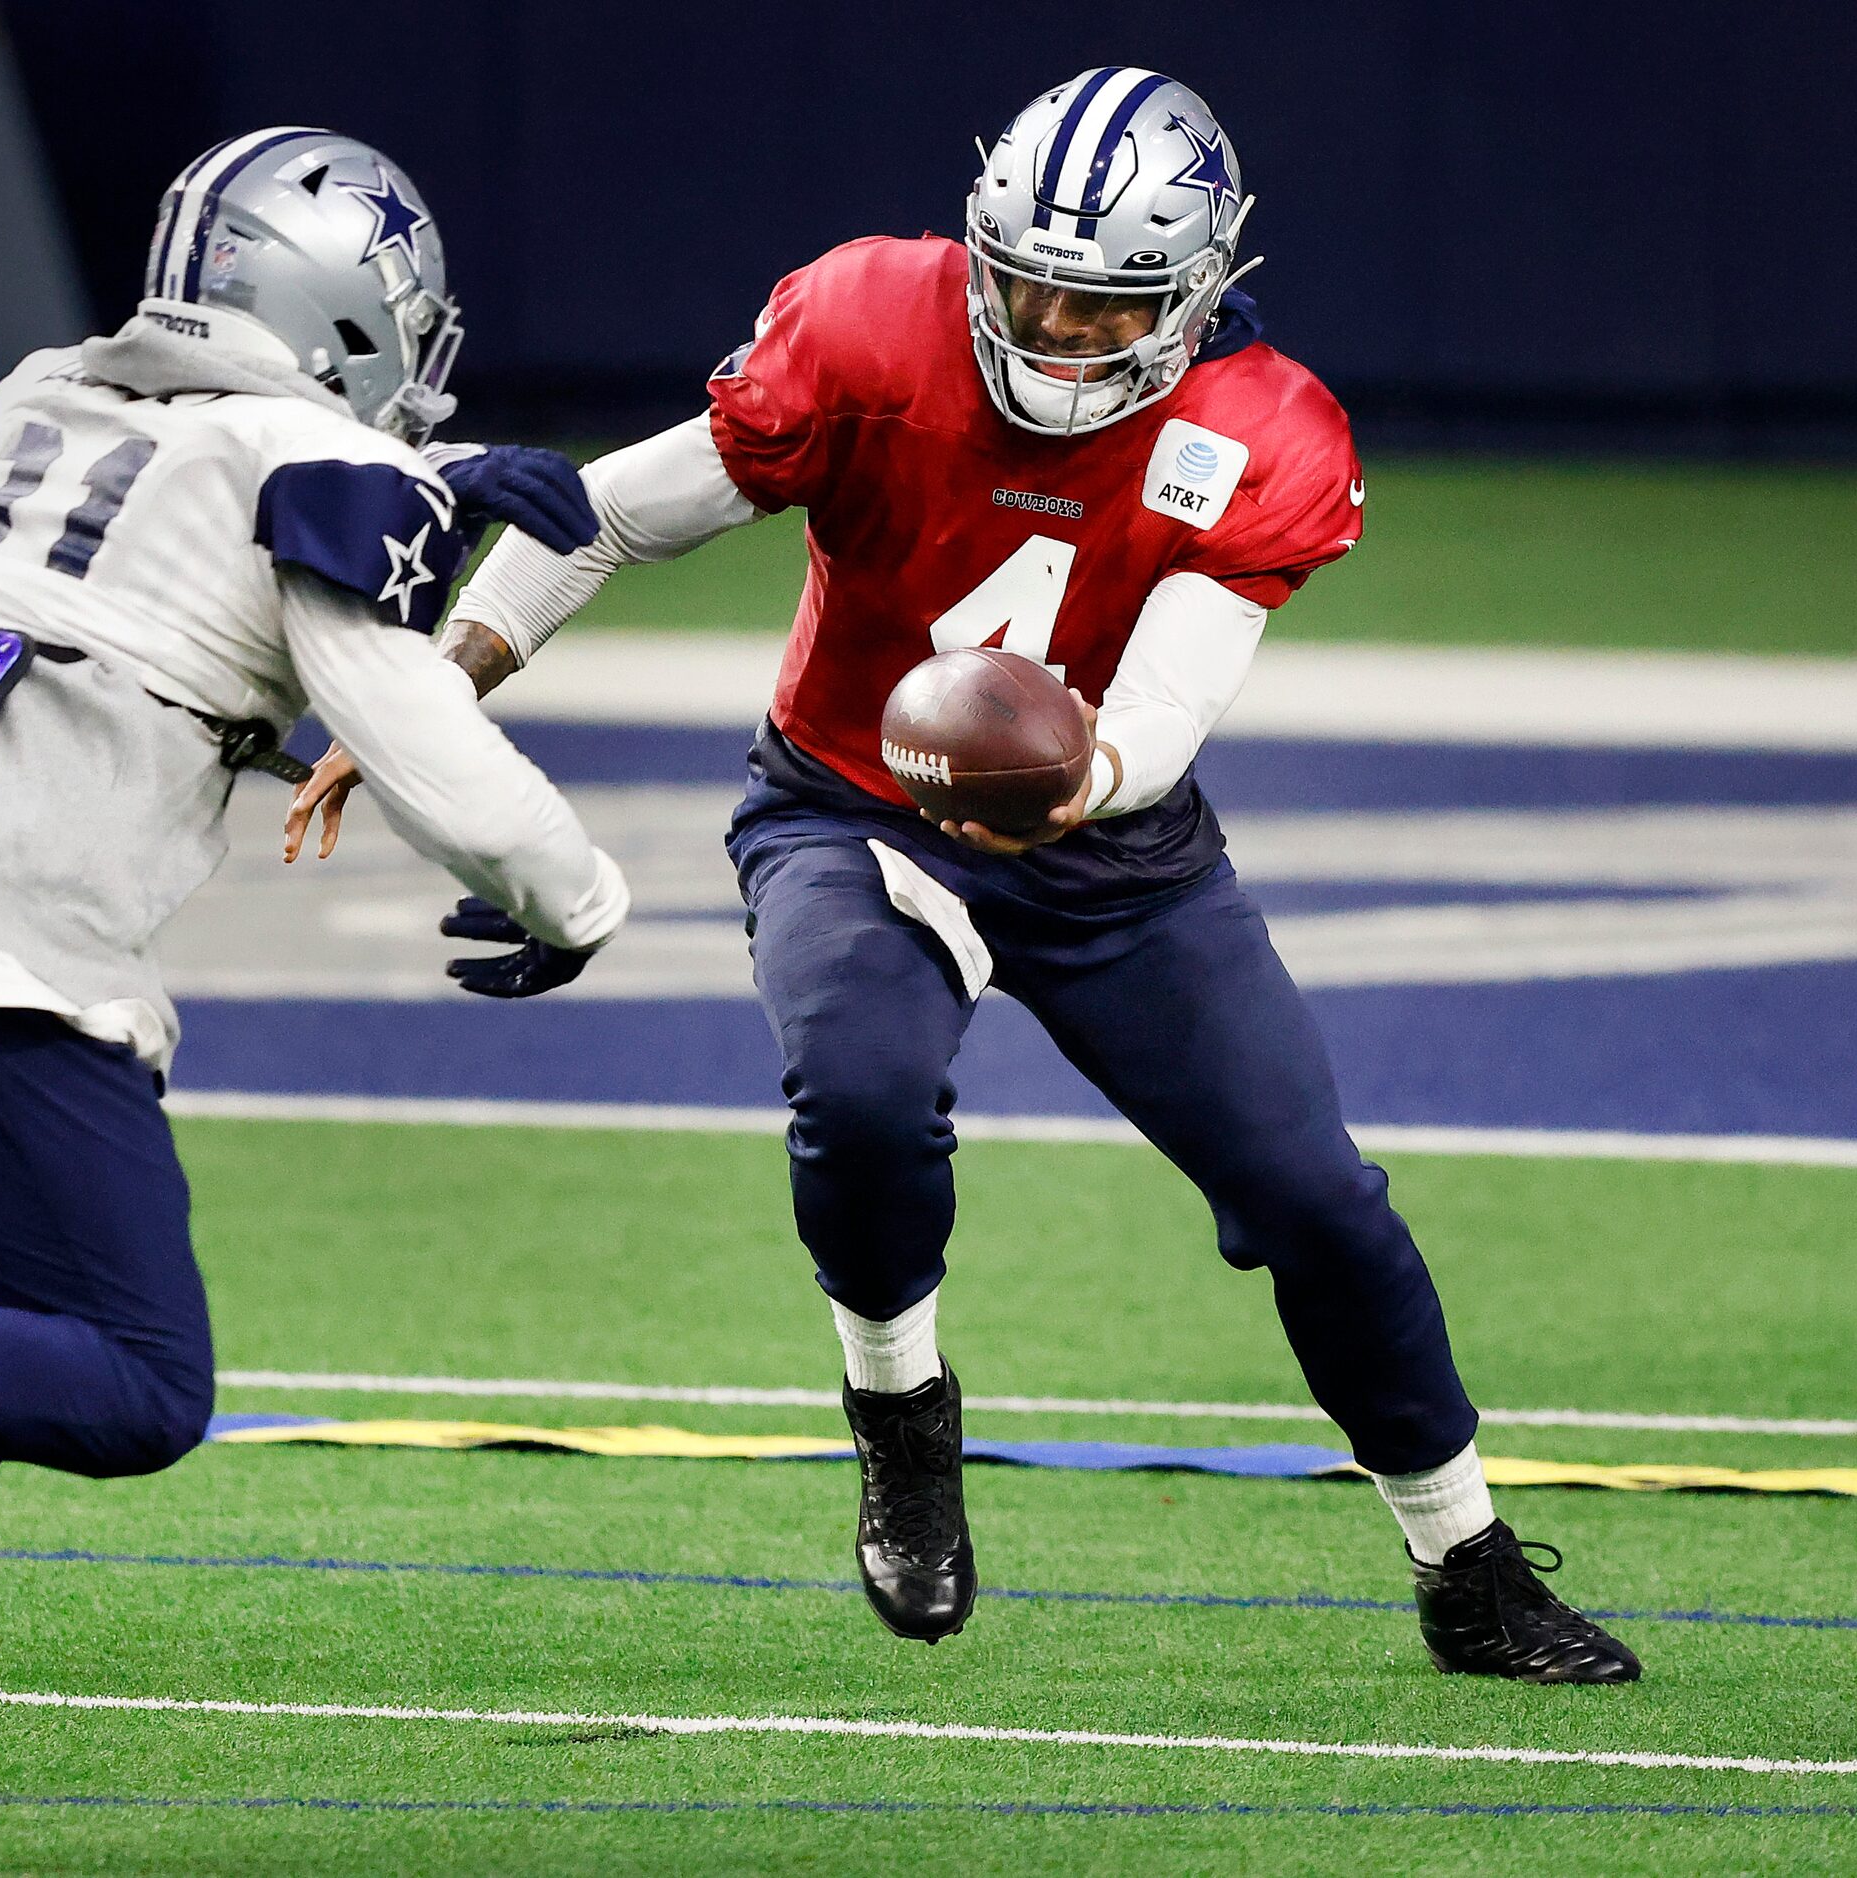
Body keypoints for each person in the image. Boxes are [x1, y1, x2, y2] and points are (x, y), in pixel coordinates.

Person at [284, 70, 1641, 1685]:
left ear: (1197, 287)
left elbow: (1162, 709)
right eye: (1029, 286)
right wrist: (445, 674)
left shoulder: (1260, 425)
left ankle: (1464, 1560)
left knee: (1319, 1202)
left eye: (1103, 303)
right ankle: (901, 1415)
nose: (1057, 329)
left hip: (1115, 855)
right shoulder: (868, 328)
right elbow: (609, 518)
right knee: (859, 1089)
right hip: (852, 805)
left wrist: (1076, 782)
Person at [0, 127, 630, 1860]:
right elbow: (422, 740)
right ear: (345, 316)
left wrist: (426, 508)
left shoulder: (45, 394)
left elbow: (165, 580)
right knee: (138, 1380)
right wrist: (577, 899)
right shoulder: (300, 448)